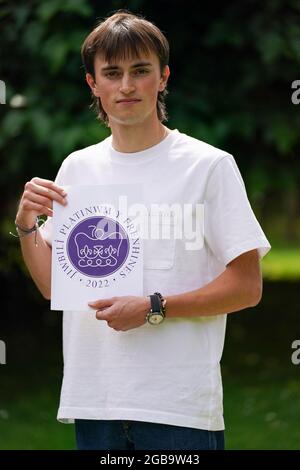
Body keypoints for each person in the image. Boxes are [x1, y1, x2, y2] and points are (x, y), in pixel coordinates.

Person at [15, 10, 271, 451]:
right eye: (112, 73)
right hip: (96, 404)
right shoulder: (77, 168)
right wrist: (25, 228)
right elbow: (54, 286)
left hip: (179, 410)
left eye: (141, 71)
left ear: (164, 76)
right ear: (93, 84)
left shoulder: (208, 166)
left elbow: (247, 286)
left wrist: (155, 307)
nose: (127, 86)